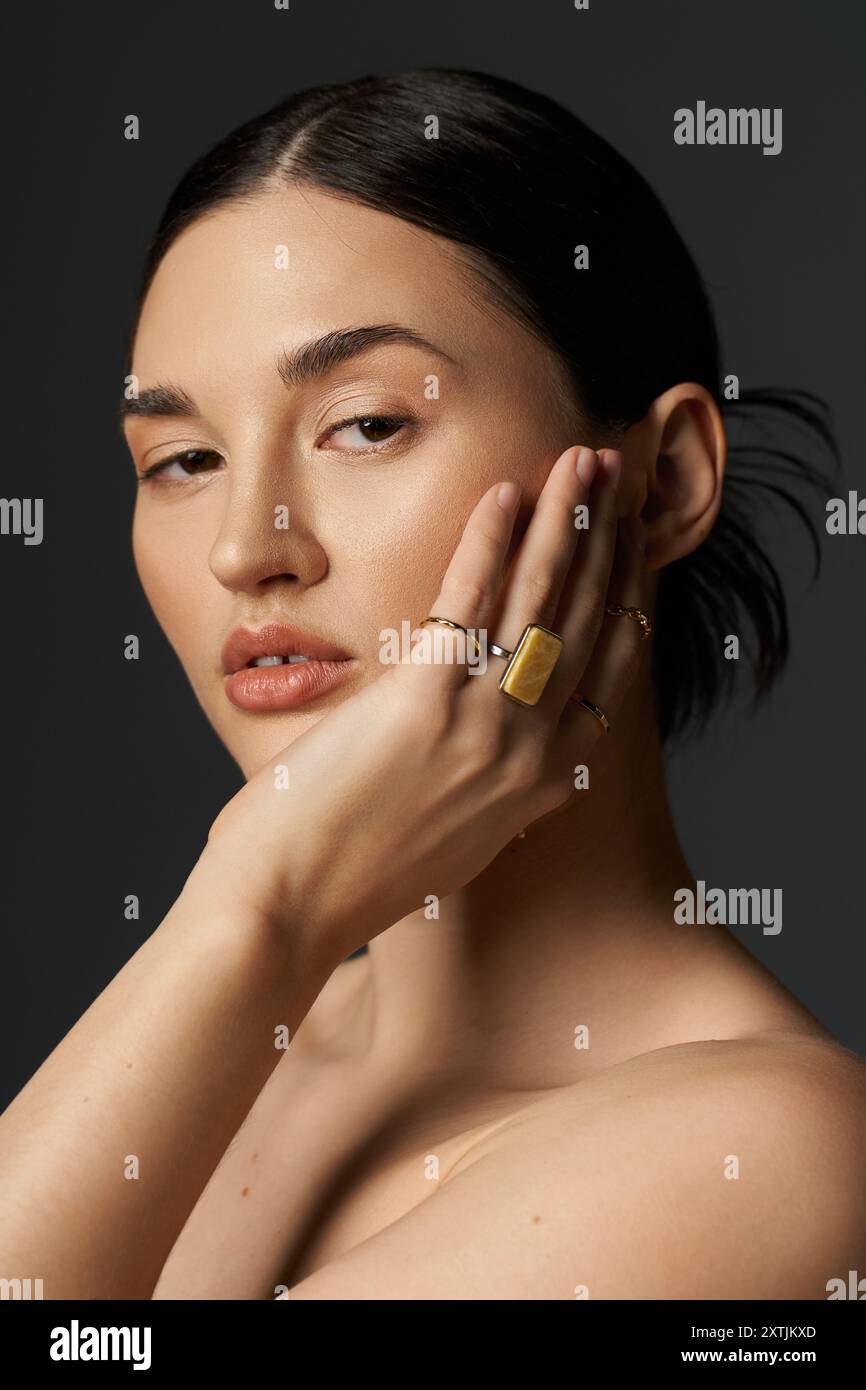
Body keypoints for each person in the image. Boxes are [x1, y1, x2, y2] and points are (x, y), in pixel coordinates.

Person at [2, 69, 863, 1301]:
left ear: (661, 480)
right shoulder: (232, 1026)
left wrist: (269, 893)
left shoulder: (772, 1150)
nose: (248, 546)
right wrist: (259, 917)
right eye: (183, 458)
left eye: (364, 425)